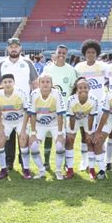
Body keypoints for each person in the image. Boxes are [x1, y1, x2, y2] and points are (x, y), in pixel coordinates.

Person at [0, 37, 38, 170]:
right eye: (11, 46)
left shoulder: (27, 62)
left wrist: (33, 101)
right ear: (7, 48)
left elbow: (34, 83)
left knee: (23, 134)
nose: (13, 49)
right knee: (8, 135)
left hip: (23, 106)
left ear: (20, 48)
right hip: (7, 106)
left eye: (16, 46)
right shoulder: (2, 64)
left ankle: (23, 161)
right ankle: (9, 162)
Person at [41, 45, 77, 170]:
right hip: (49, 108)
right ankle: (46, 162)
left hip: (65, 110)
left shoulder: (70, 70)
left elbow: (73, 88)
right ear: (55, 54)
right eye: (59, 52)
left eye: (64, 53)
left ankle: (67, 163)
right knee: (49, 136)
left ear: (66, 55)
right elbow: (42, 86)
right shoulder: (48, 69)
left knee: (65, 136)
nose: (61, 55)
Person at [74, 39, 106, 172]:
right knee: (84, 134)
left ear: (97, 53)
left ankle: (101, 160)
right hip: (83, 106)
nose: (91, 54)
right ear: (84, 53)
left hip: (100, 106)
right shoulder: (78, 67)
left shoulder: (104, 66)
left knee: (99, 135)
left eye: (93, 52)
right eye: (88, 52)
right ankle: (84, 161)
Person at [0, 74, 32, 179]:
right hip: (6, 122)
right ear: (2, 84)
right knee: (0, 142)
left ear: (14, 83)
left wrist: (23, 129)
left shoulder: (20, 93)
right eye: (5, 82)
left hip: (20, 120)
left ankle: (26, 169)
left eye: (10, 81)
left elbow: (27, 111)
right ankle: (3, 169)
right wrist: (0, 128)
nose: (7, 84)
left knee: (23, 140)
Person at [28, 73, 66, 180]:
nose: (45, 84)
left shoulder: (56, 94)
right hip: (40, 125)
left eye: (47, 82)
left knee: (59, 146)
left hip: (55, 124)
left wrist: (59, 134)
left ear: (52, 84)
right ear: (38, 84)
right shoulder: (34, 94)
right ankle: (41, 170)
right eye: (42, 82)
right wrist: (33, 133)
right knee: (34, 147)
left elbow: (60, 115)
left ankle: (58, 171)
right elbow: (33, 115)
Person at [65, 77, 98, 180]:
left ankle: (91, 169)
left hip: (87, 118)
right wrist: (71, 132)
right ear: (76, 89)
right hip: (74, 118)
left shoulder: (93, 100)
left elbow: (92, 117)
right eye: (80, 87)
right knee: (70, 140)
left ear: (89, 88)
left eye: (85, 87)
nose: (83, 90)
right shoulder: (71, 100)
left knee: (89, 141)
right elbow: (71, 118)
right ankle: (69, 169)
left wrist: (89, 133)